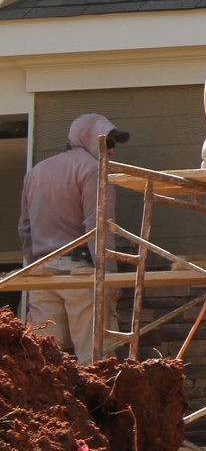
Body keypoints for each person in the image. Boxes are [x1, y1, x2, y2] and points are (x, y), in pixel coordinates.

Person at [18, 113, 129, 364]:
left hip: (41, 275)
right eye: (108, 143)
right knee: (96, 360)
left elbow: (25, 228)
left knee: (44, 361)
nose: (111, 151)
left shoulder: (36, 172)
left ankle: (47, 404)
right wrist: (108, 276)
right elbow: (99, 227)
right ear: (90, 139)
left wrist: (33, 268)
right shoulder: (92, 170)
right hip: (80, 274)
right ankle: (98, 404)